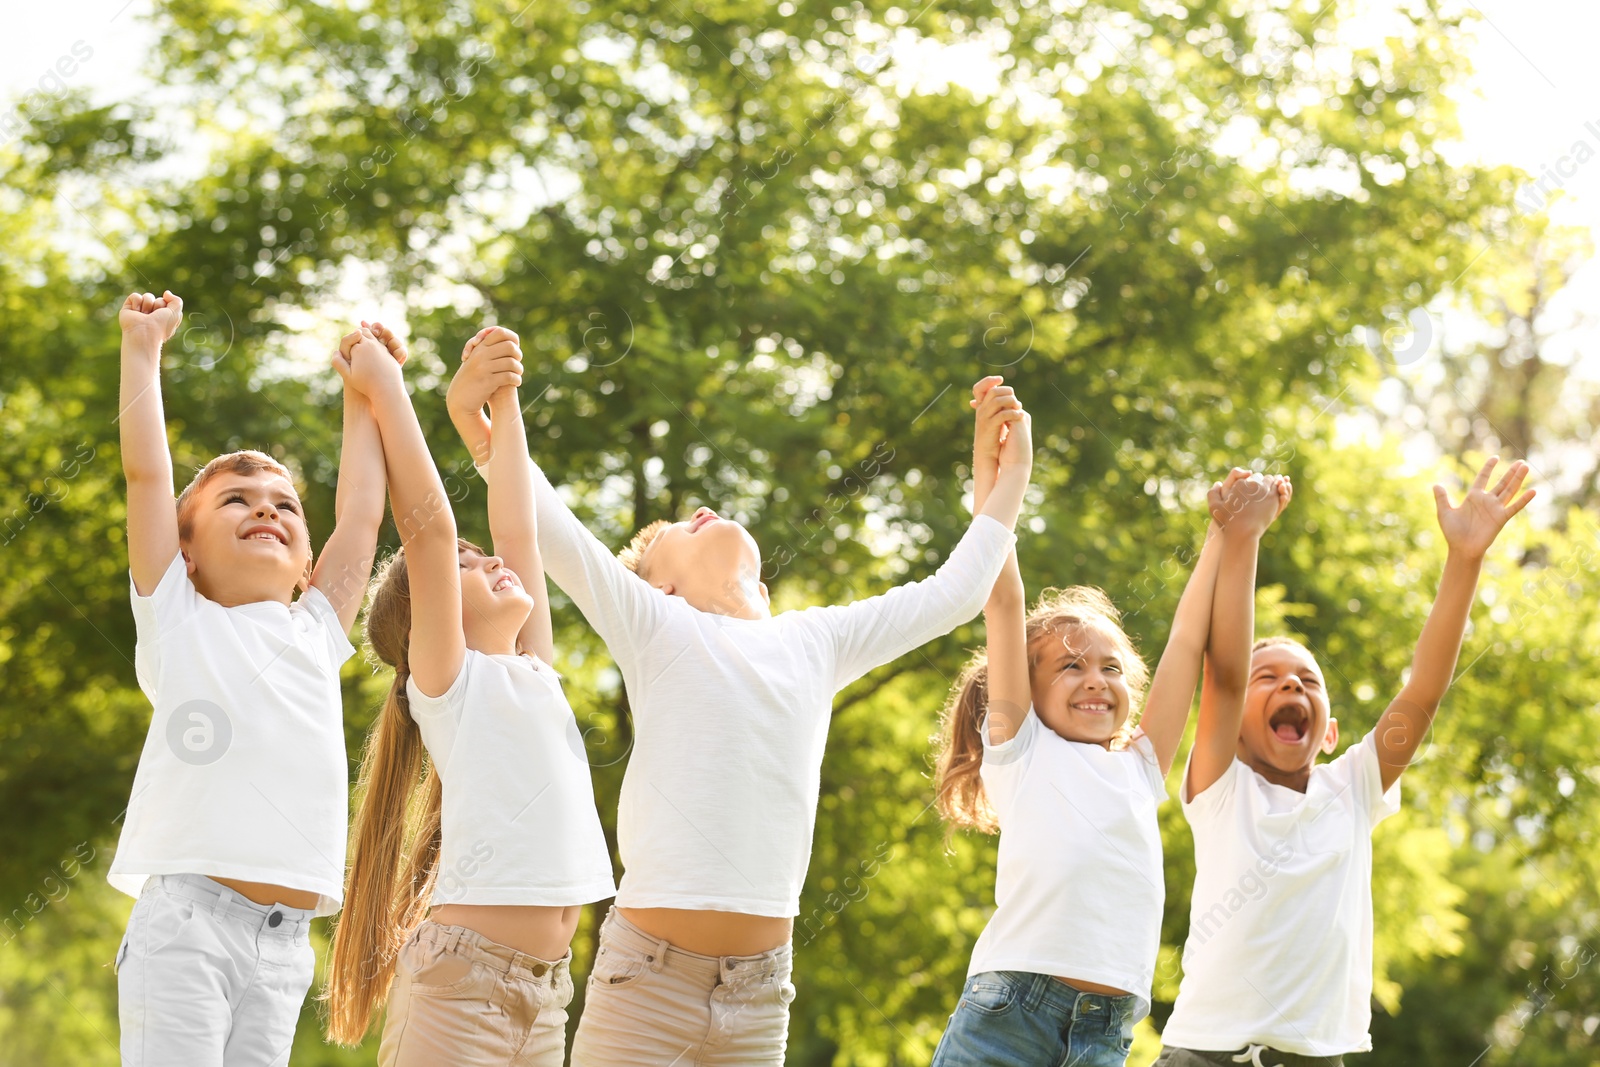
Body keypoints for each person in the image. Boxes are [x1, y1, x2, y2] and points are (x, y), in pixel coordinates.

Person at [450, 348, 1031, 1064]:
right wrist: (485, 420)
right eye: (678, 532)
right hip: (646, 984)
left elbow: (954, 591)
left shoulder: (816, 639)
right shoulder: (655, 623)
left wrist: (1009, 482)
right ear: (657, 588)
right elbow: (539, 517)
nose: (700, 511)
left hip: (758, 997)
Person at [1156, 458, 1534, 1066]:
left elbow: (1423, 691)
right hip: (1206, 1053)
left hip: (1317, 1056)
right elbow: (1222, 675)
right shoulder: (1221, 787)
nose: (1292, 689)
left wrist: (1465, 560)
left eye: (1308, 681)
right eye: (1270, 678)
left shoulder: (1353, 787)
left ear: (1330, 732)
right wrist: (1243, 538)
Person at [111, 292, 386, 1065]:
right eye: (235, 499)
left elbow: (362, 514)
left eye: (285, 505)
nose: (266, 507)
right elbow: (143, 474)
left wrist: (363, 396)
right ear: (185, 548)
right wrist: (142, 350)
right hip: (188, 926)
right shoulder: (180, 615)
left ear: (307, 564)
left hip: (285, 945)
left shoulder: (315, 631)